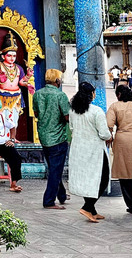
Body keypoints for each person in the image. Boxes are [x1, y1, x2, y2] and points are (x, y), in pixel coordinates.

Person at [68, 82, 112, 222]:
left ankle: (92, 210)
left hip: (79, 149)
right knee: (102, 178)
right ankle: (87, 207)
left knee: (87, 179)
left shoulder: (73, 111)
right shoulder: (96, 111)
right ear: (91, 94)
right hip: (95, 150)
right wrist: (110, 136)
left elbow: (71, 128)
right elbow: (104, 134)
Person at [34, 68, 71, 210]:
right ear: (57, 81)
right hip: (58, 137)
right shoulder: (60, 95)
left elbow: (36, 113)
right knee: (56, 170)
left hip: (44, 136)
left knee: (54, 168)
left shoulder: (37, 94)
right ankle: (49, 200)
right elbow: (67, 116)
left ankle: (61, 195)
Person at [107, 84, 132, 213]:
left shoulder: (115, 106)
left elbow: (109, 125)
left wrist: (109, 137)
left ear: (119, 95)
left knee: (124, 173)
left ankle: (131, 205)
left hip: (123, 141)